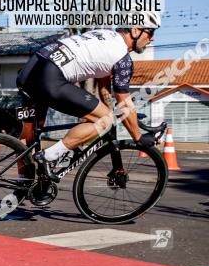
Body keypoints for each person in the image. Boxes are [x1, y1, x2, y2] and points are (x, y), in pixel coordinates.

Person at [16, 17, 161, 181]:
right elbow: (124, 101)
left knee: (29, 135)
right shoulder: (123, 59)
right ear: (135, 30)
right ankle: (50, 155)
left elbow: (104, 89)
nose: (152, 38)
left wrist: (116, 112)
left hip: (31, 70)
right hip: (51, 77)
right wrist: (138, 137)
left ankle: (23, 183)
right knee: (106, 120)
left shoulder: (104, 36)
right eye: (150, 32)